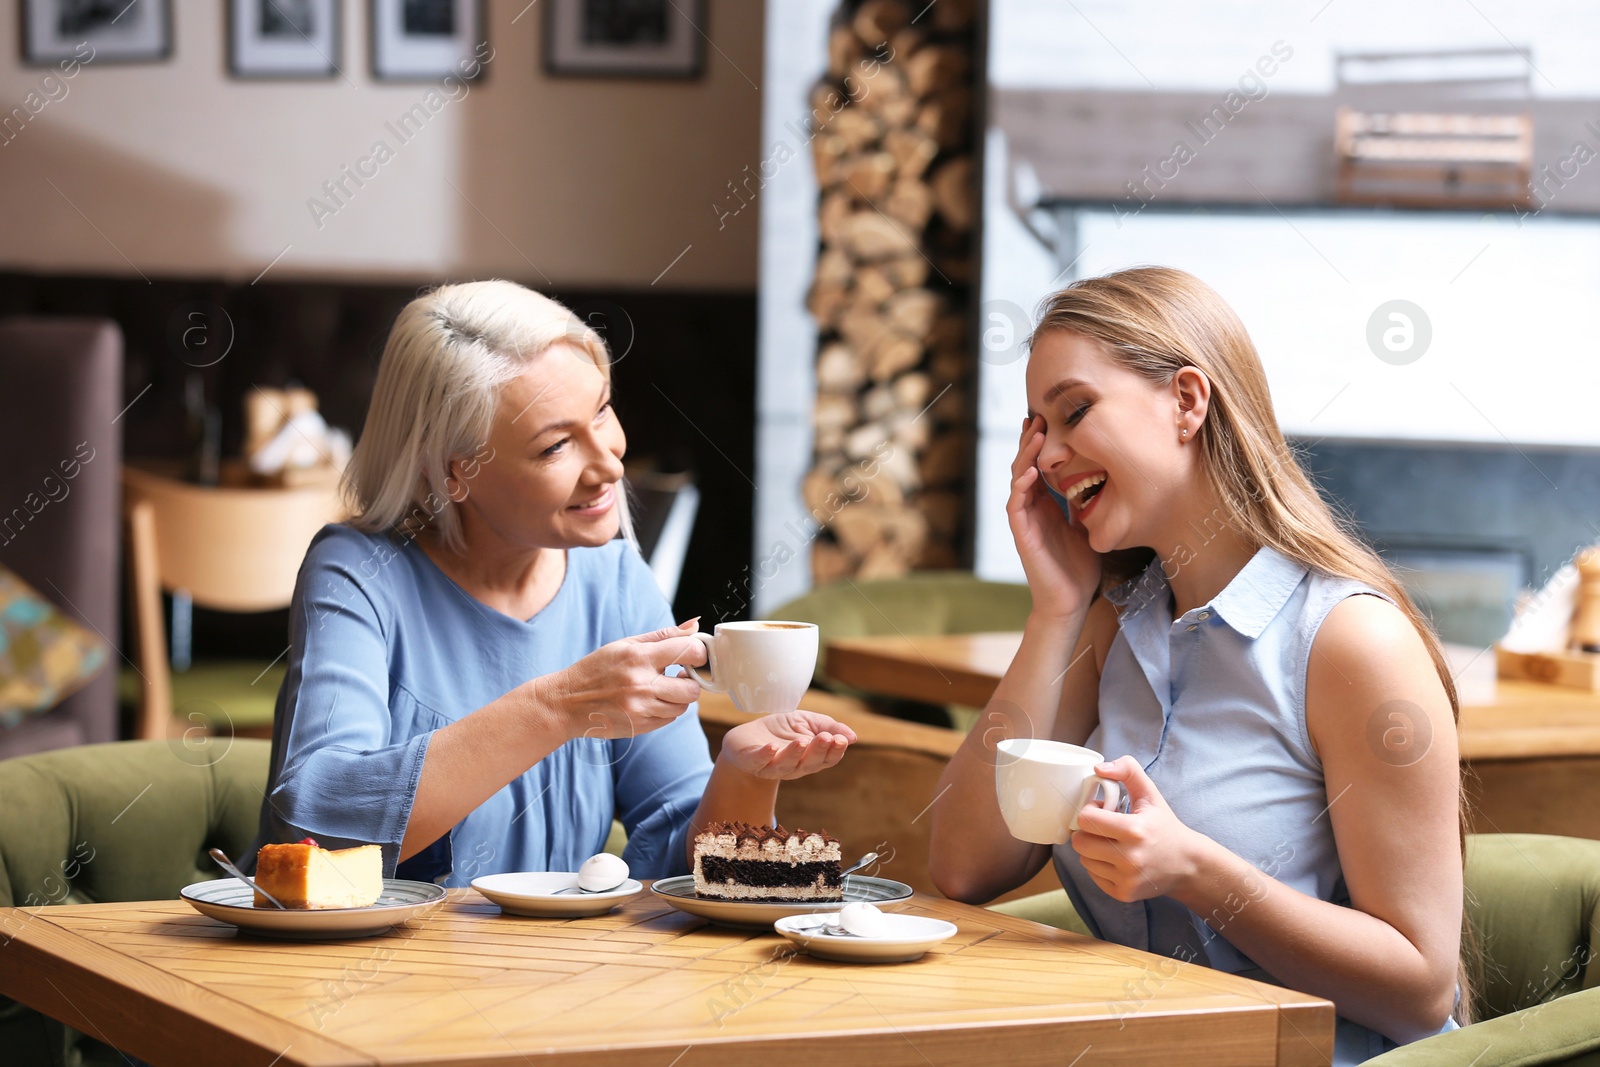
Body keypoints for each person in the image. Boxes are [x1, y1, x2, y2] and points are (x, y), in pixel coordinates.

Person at [928, 268, 1464, 1064]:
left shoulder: (1350, 642)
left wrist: (1196, 869)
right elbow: (963, 865)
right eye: (1037, 428)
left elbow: (1422, 989)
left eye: (1074, 411)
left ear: (1187, 400)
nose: (1048, 456)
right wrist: (1055, 610)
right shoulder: (1111, 625)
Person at [252, 280, 855, 884]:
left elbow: (687, 866)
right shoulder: (359, 573)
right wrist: (559, 706)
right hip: (374, 975)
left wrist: (745, 775)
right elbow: (319, 829)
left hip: (565, 974)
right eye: (556, 445)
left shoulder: (615, 581)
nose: (611, 464)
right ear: (456, 473)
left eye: (602, 410)